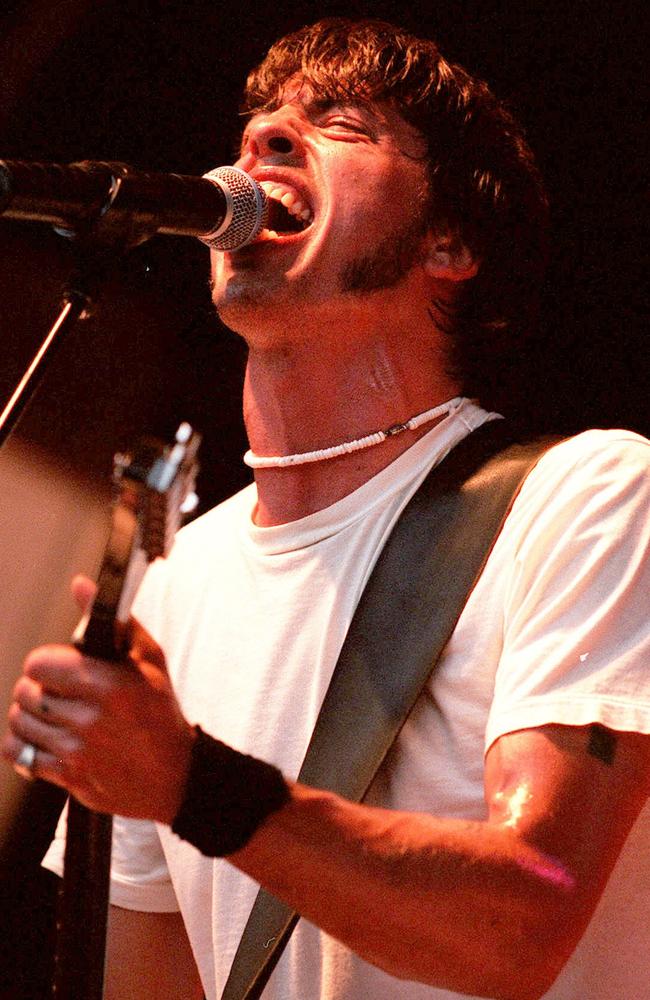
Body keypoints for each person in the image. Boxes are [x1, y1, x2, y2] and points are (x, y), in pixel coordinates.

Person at [4, 18, 650, 1000]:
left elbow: (521, 925)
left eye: (339, 122)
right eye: (254, 124)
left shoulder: (583, 498)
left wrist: (189, 780)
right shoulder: (178, 580)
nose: (261, 139)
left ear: (449, 239)